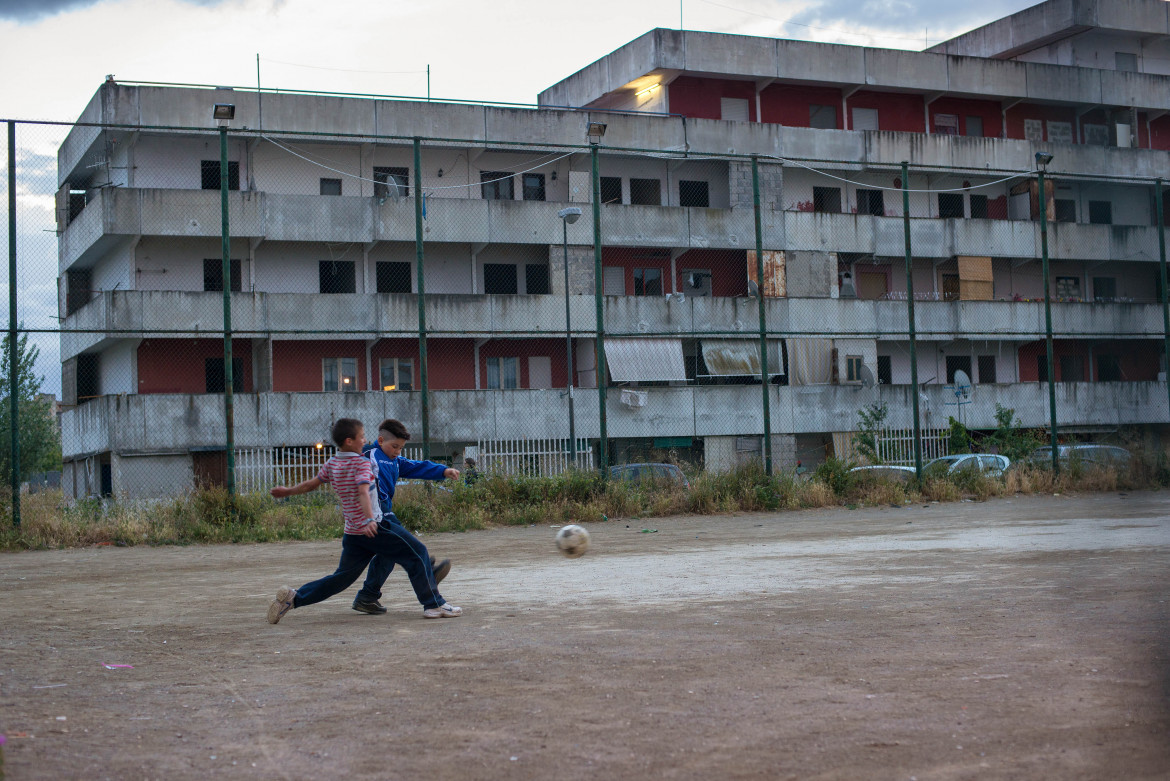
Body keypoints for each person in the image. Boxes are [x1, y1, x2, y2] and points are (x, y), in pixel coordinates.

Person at [266, 417, 461, 624]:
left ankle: (294, 598)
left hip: (353, 532)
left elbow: (311, 485)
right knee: (417, 552)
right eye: (362, 437)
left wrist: (287, 491)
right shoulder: (363, 461)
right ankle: (433, 603)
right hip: (375, 526)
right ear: (350, 441)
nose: (365, 440)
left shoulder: (332, 462)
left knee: (342, 578)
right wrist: (370, 519)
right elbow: (363, 492)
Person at [353, 418, 460, 614]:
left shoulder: (395, 461)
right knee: (406, 545)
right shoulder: (369, 455)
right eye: (394, 446)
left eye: (400, 448)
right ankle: (428, 574)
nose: (397, 451)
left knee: (389, 553)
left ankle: (367, 596)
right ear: (380, 440)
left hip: (383, 512)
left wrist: (444, 470)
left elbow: (418, 467)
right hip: (375, 512)